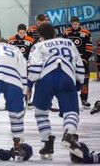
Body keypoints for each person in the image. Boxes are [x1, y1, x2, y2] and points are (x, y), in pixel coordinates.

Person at [27, 23, 85, 160]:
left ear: (41, 36)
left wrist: (29, 85)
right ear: (54, 33)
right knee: (71, 111)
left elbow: (34, 68)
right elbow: (79, 64)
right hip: (67, 77)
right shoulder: (69, 42)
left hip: (46, 79)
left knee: (40, 113)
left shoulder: (38, 46)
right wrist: (78, 83)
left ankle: (48, 143)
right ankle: (69, 134)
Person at [62, 16, 93, 109]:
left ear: (79, 23)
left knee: (85, 80)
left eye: (76, 24)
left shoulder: (86, 33)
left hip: (82, 61)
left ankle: (84, 99)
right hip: (70, 61)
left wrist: (84, 59)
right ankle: (68, 99)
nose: (74, 26)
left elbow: (89, 49)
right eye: (72, 24)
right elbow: (63, 47)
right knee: (68, 81)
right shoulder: (66, 32)